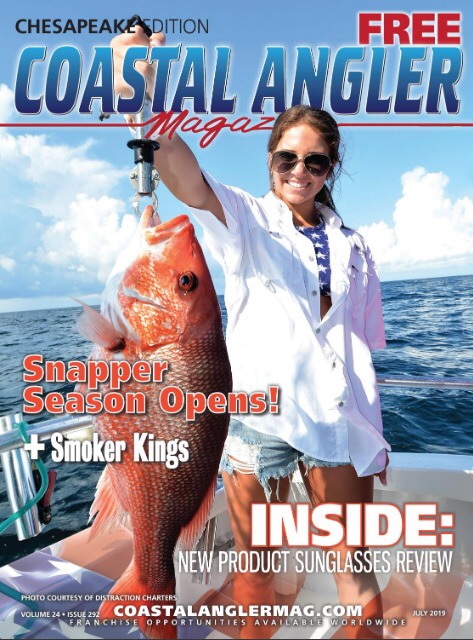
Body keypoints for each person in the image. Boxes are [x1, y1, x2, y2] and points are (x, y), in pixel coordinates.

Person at [111, 27, 390, 639]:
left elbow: (360, 349)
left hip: (337, 422)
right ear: (270, 161)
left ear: (331, 167)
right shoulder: (244, 218)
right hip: (258, 424)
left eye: (315, 161)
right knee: (255, 569)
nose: (299, 171)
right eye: (287, 158)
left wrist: (373, 434)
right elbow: (180, 171)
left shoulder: (356, 247)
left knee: (354, 565)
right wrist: (141, 91)